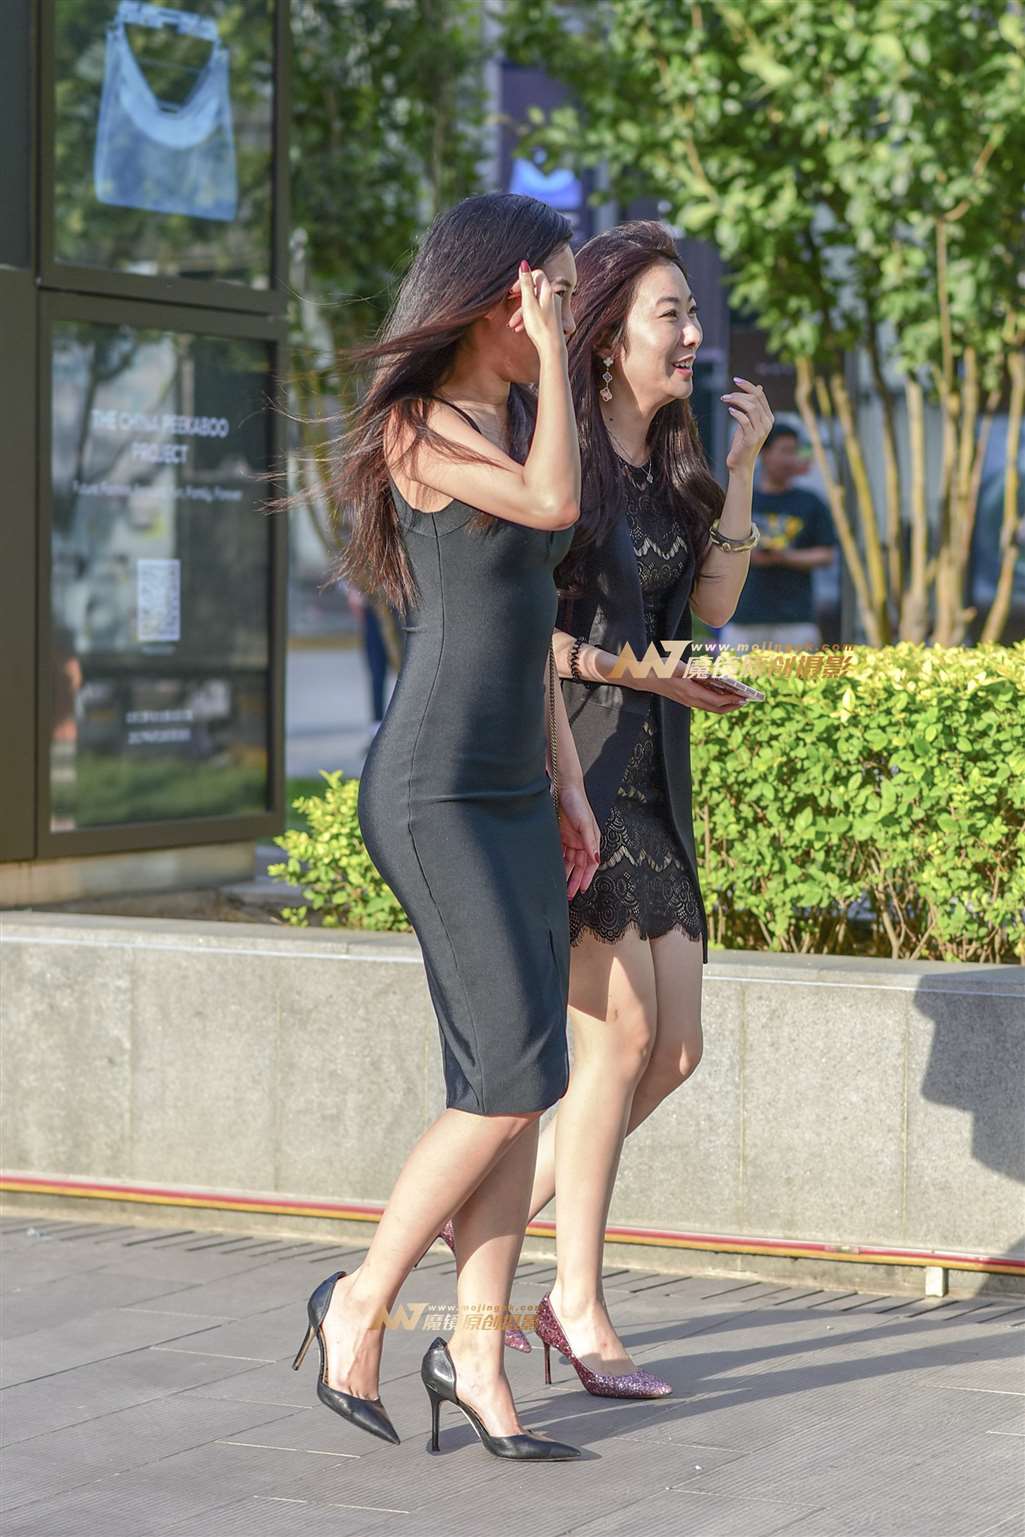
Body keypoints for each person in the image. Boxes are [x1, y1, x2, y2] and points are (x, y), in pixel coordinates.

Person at [290, 193, 601, 1462]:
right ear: (496, 298)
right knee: (511, 1074)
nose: (566, 317)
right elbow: (554, 506)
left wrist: (567, 785)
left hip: (515, 792)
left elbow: (528, 636)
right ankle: (358, 1300)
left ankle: (473, 1351)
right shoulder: (419, 425)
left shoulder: (512, 425)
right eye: (554, 296)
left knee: (523, 1085)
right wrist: (558, 363)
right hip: (431, 794)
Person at [511, 220, 772, 1395]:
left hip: (654, 780)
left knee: (672, 1051)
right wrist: (649, 675)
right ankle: (572, 1301)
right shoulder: (560, 462)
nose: (693, 334)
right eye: (672, 314)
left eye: (691, 313)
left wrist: (744, 463)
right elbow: (536, 639)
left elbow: (709, 601)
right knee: (614, 1044)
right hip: (575, 767)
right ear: (609, 338)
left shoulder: (673, 463)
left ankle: (469, 1220)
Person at [718, 423, 837, 652]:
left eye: (794, 452)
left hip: (796, 620)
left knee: (799, 676)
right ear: (764, 453)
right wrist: (748, 555)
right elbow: (718, 547)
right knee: (734, 675)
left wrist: (786, 557)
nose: (790, 459)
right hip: (742, 618)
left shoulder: (810, 502)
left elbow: (826, 554)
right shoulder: (740, 499)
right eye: (784, 451)